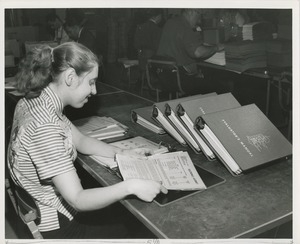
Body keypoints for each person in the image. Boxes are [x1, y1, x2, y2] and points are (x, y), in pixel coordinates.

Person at [7, 42, 168, 239]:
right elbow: (77, 199)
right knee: (143, 225)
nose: (94, 91)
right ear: (70, 78)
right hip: (60, 225)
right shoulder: (45, 126)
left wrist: (121, 153)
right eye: (91, 82)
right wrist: (131, 186)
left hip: (47, 207)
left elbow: (80, 140)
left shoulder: (35, 100)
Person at [157, 9, 224, 94]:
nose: (199, 20)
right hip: (180, 79)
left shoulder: (170, 22)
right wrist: (216, 47)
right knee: (220, 86)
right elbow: (198, 52)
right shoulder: (184, 26)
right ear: (191, 11)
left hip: (164, 76)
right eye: (199, 15)